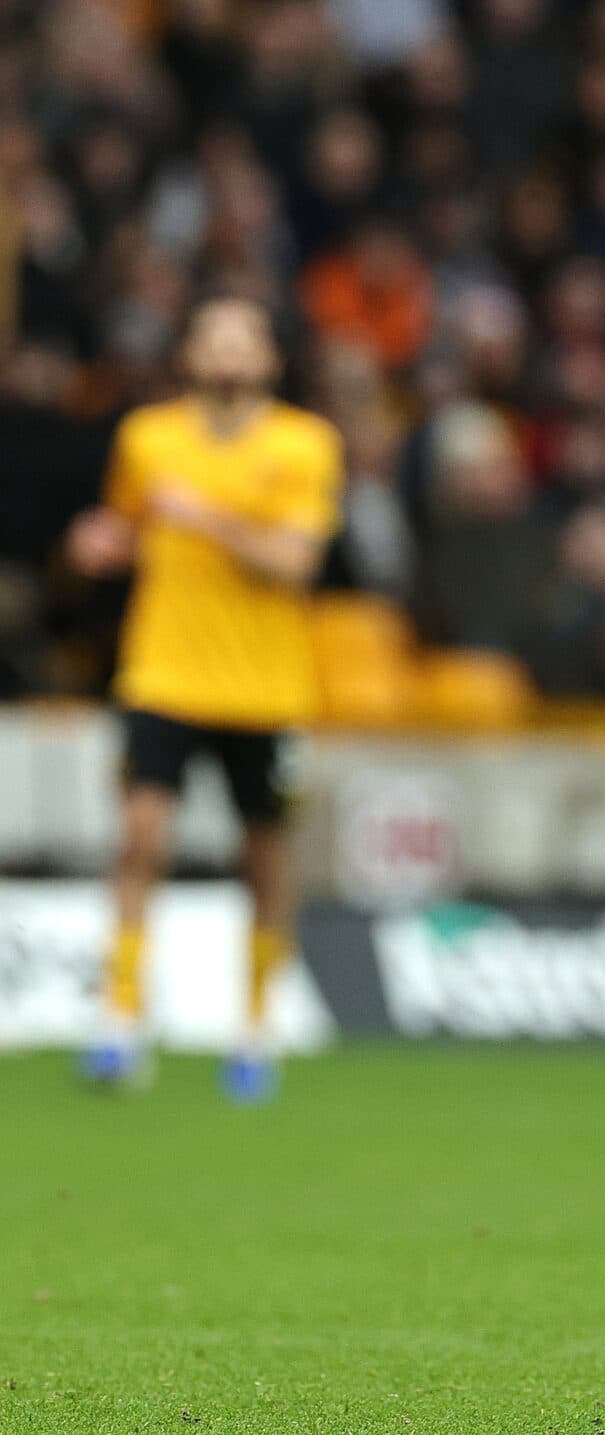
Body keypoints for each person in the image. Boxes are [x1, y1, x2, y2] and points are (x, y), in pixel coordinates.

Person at [70, 298, 343, 1102]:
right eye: (212, 339)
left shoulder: (303, 444)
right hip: (163, 673)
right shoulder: (147, 438)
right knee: (139, 835)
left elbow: (294, 564)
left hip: (265, 689)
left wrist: (205, 517)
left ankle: (255, 1027)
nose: (227, 353)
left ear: (269, 360)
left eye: (242, 340)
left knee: (264, 857)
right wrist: (104, 544)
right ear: (189, 354)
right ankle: (121, 1020)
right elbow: (129, 526)